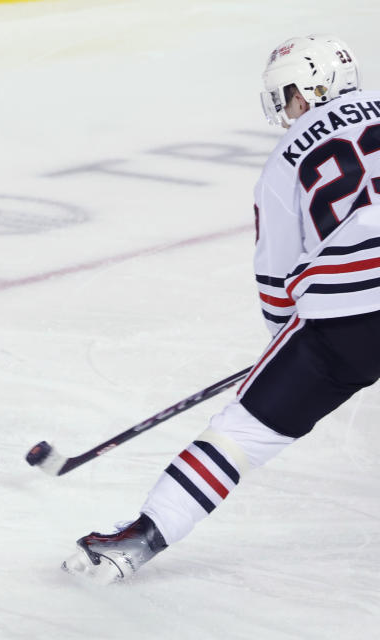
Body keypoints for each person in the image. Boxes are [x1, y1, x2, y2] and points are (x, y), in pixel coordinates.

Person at [63, 34, 380, 583]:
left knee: (240, 433)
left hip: (344, 319)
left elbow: (277, 276)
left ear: (311, 87)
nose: (287, 109)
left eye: (287, 95)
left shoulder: (287, 156)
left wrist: (286, 348)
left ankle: (140, 539)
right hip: (346, 309)